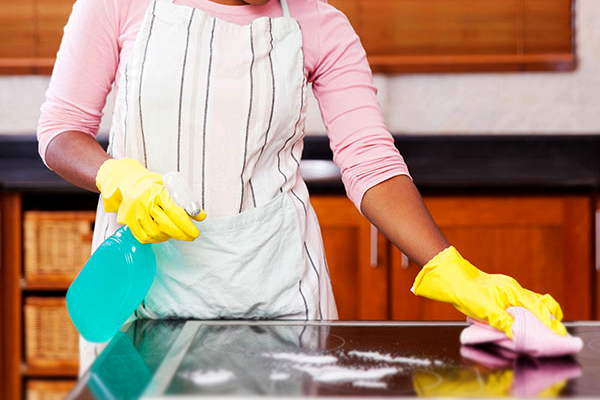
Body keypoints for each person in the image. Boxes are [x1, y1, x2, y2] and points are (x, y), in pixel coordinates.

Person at [37, 0, 567, 373]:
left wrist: (452, 269)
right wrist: (116, 177)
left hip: (278, 297)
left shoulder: (319, 24)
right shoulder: (119, 4)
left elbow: (369, 159)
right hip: (140, 299)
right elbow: (61, 129)